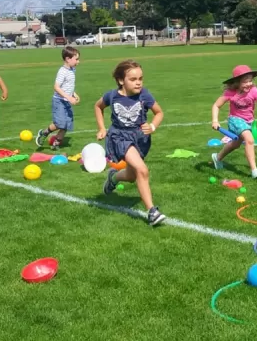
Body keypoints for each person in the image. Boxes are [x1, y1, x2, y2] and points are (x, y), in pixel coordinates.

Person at [94, 60, 166, 226]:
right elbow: (98, 107)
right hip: (119, 137)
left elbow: (159, 112)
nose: (138, 82)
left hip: (140, 139)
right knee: (142, 170)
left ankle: (113, 178)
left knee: (133, 175)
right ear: (121, 80)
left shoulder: (145, 95)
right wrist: (102, 128)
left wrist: (153, 126)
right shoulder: (111, 96)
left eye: (140, 78)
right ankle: (152, 212)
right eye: (133, 79)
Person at [211, 64, 257, 178]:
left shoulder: (254, 91)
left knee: (235, 144)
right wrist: (215, 120)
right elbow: (216, 105)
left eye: (250, 81)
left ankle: (217, 157)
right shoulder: (230, 93)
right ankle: (254, 170)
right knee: (249, 140)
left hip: (248, 121)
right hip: (235, 120)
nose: (248, 84)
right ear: (237, 82)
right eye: (245, 81)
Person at [35, 46, 80, 150]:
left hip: (67, 100)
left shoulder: (73, 70)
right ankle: (43, 132)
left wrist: (74, 94)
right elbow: (56, 87)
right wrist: (69, 97)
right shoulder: (62, 71)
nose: (78, 61)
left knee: (67, 124)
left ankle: (56, 145)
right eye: (76, 59)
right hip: (59, 101)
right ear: (68, 59)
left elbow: (68, 85)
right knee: (60, 123)